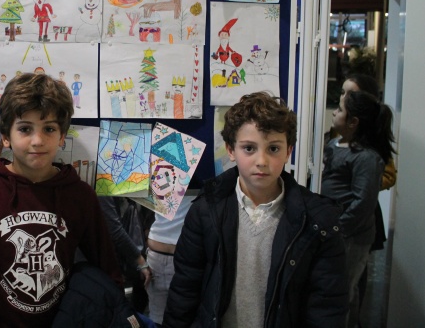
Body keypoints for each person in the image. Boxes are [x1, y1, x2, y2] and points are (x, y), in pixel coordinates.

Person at [164, 92, 348, 327]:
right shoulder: (205, 211)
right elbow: (184, 292)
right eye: (249, 148)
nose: (262, 161)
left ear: (288, 151)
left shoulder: (318, 222)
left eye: (273, 149)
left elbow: (327, 308)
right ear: (231, 150)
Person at [0, 73, 122, 327]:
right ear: (6, 136)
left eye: (49, 129)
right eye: (25, 129)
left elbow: (107, 271)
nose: (37, 141)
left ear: (62, 136)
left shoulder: (80, 195)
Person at [322, 89, 395, 328]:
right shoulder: (334, 144)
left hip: (351, 236)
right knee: (335, 288)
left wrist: (338, 227)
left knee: (344, 290)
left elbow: (363, 203)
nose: (334, 112)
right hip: (333, 230)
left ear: (353, 122)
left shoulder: (367, 158)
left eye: (340, 109)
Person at [145, 194, 194, 327]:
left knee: (157, 315)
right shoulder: (206, 181)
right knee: (185, 316)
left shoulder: (158, 179)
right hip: (185, 255)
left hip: (157, 249)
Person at [98, 196, 152, 313]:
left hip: (113, 256)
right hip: (106, 259)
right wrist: (140, 261)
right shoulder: (102, 191)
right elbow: (115, 230)